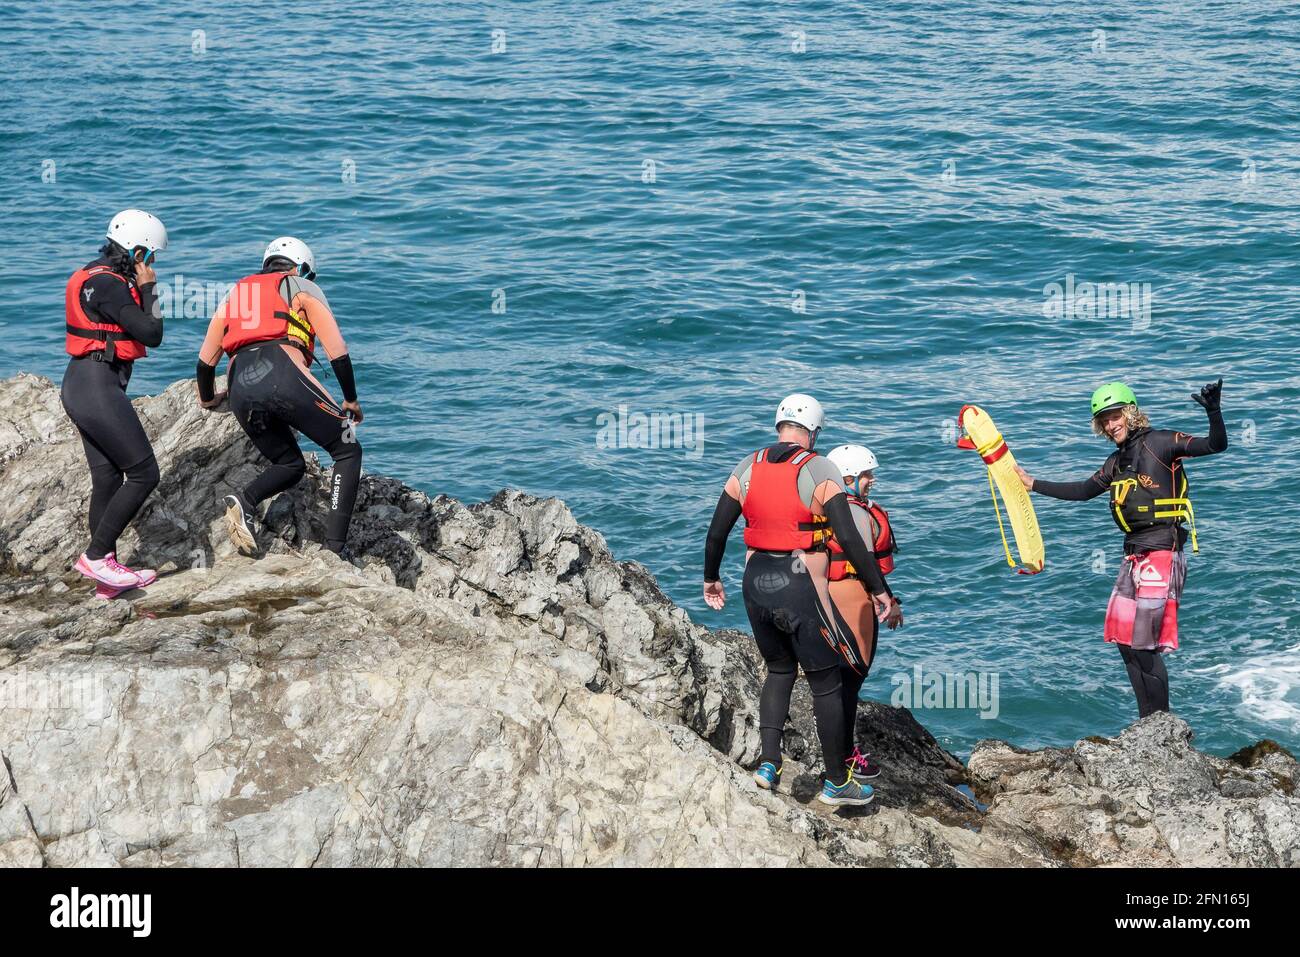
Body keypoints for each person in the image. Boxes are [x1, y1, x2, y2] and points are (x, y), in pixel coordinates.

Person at [703, 394, 898, 807]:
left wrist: (710, 578)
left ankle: (768, 765)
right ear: (813, 430)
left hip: (754, 582)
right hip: (799, 582)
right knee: (826, 681)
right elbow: (847, 536)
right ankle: (836, 782)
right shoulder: (819, 467)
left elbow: (717, 530)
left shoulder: (747, 466)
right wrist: (880, 590)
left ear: (779, 425)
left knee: (778, 669)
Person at [1015, 380, 1227, 718]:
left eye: (1115, 417)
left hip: (1161, 552)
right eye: (1104, 420)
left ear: (1130, 413)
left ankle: (1162, 725)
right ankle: (1147, 722)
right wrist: (1033, 485)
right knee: (1126, 642)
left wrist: (1213, 412)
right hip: (1134, 555)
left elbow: (1216, 445)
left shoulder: (1162, 443)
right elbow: (1083, 490)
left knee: (1144, 644)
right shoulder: (1116, 461)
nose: (1111, 425)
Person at [195, 237, 363, 556]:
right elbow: (337, 351)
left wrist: (207, 399)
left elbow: (204, 363)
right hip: (282, 370)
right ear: (300, 268)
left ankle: (244, 502)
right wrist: (350, 399)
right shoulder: (301, 286)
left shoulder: (236, 295)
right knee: (347, 450)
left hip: (240, 384)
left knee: (289, 463)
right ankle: (333, 549)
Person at [62, 209, 168, 597]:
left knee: (107, 479)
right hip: (96, 386)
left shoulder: (95, 276)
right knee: (144, 473)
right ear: (137, 253)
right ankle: (95, 556)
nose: (152, 265)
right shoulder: (111, 286)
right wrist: (150, 287)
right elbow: (152, 332)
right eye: (151, 257)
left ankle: (105, 576)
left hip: (81, 383)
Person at [824, 444, 904, 780]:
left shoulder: (824, 507)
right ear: (847, 477)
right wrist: (888, 599)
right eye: (866, 475)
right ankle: (845, 759)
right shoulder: (855, 512)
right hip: (853, 597)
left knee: (832, 681)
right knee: (851, 681)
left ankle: (836, 757)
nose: (871, 480)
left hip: (824, 596)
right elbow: (866, 562)